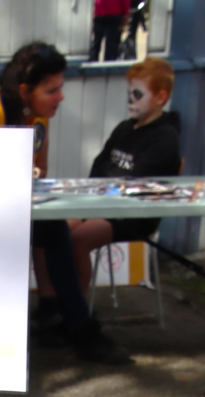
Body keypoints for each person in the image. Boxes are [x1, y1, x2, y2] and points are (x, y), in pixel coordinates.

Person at [0, 42, 131, 365]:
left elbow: (40, 169)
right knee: (54, 231)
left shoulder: (38, 115)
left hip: (7, 209)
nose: (60, 97)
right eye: (51, 90)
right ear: (24, 90)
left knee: (54, 229)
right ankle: (74, 326)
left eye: (60, 88)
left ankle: (60, 318)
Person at [70, 57, 181, 296]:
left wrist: (105, 184)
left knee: (77, 239)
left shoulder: (165, 138)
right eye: (129, 93)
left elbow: (136, 184)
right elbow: (98, 166)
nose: (130, 100)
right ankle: (53, 302)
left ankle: (76, 308)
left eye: (138, 94)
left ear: (160, 97)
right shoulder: (124, 128)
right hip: (102, 203)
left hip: (134, 215)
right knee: (56, 231)